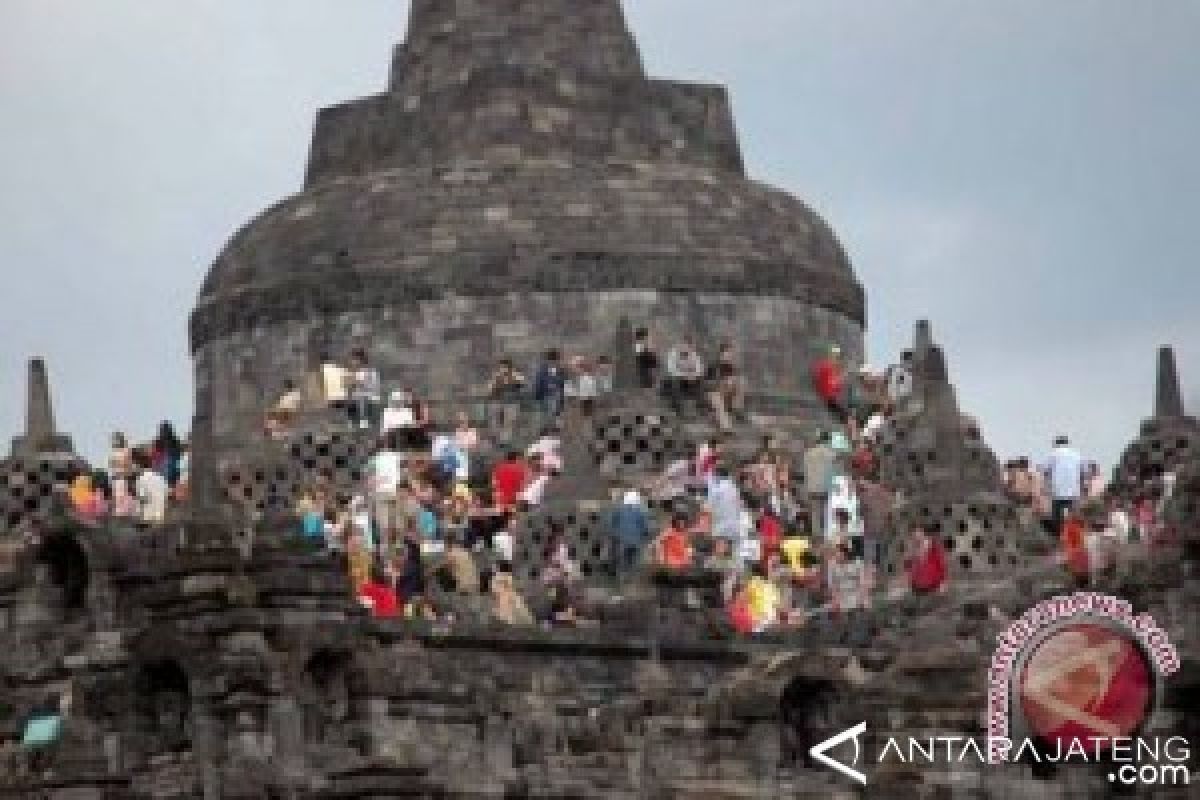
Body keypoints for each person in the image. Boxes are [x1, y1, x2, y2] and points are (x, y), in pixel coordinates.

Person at [1042, 436, 1084, 534]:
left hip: (1058, 491)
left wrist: (1046, 485)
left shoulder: (1053, 455)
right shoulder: (1077, 455)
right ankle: (1073, 535)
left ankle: (1058, 535)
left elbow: (1045, 470)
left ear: (1056, 444)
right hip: (1073, 491)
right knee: (1073, 515)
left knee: (1057, 516)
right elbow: (1083, 472)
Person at [607, 490, 652, 578]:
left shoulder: (619, 509)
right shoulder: (641, 512)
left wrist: (612, 532)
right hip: (633, 541)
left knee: (614, 549)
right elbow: (645, 527)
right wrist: (645, 534)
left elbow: (612, 521)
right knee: (630, 555)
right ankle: (626, 571)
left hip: (618, 537)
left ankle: (613, 566)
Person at [803, 432, 836, 539]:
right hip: (825, 487)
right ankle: (825, 535)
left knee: (815, 513)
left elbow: (805, 470)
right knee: (825, 512)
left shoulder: (809, 453)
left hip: (812, 486)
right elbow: (835, 467)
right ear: (827, 440)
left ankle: (816, 536)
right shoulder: (829, 453)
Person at [665, 338, 706, 416]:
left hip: (690, 378)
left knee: (701, 381)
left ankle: (700, 406)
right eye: (685, 345)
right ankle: (677, 408)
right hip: (677, 378)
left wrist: (693, 375)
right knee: (674, 381)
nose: (687, 348)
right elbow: (671, 370)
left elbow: (700, 369)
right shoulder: (673, 353)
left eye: (689, 346)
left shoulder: (694, 355)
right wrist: (685, 375)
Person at [346, 349, 382, 430]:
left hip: (370, 397)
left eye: (354, 359)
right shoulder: (354, 372)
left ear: (360, 360)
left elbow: (374, 387)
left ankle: (364, 421)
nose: (352, 362)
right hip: (359, 397)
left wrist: (360, 383)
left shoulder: (371, 372)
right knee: (352, 399)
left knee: (361, 399)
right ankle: (352, 422)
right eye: (352, 360)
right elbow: (351, 387)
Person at [906, 527, 947, 594]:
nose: (917, 538)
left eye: (919, 535)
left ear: (924, 535)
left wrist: (943, 581)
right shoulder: (912, 549)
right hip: (916, 585)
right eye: (914, 536)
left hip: (934, 585)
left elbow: (942, 564)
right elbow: (908, 567)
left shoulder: (934, 547)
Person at [134, 450, 169, 525]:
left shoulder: (141, 479)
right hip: (161, 517)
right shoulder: (161, 478)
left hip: (148, 519)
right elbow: (166, 495)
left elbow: (141, 500)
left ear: (139, 465)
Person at [811, 345, 846, 418]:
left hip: (831, 397)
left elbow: (836, 385)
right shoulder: (825, 366)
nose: (836, 358)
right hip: (827, 397)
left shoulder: (835, 368)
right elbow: (819, 380)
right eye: (834, 356)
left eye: (837, 356)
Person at [532, 349, 567, 421]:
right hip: (547, 399)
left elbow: (563, 386)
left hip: (554, 400)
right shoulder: (543, 370)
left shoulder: (560, 371)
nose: (556, 362)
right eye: (556, 360)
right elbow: (538, 386)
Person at [153, 421, 184, 490]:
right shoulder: (175, 441)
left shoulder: (159, 442)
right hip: (172, 471)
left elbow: (156, 459)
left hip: (166, 472)